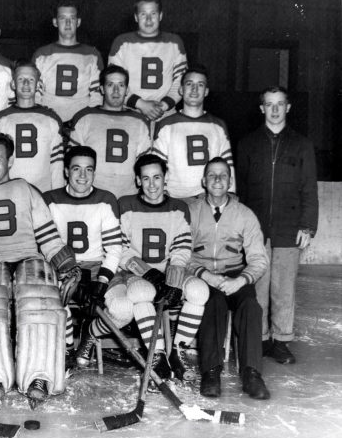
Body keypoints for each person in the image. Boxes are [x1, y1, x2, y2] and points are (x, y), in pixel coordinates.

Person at [0, 133, 79, 406]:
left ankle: (39, 375)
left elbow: (49, 237)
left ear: (10, 160)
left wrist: (67, 265)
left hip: (27, 259)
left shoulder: (26, 189)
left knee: (39, 299)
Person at [76, 154, 208, 382]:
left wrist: (173, 279)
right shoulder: (126, 204)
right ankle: (155, 354)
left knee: (199, 290)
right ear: (138, 180)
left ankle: (177, 350)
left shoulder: (178, 208)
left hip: (168, 271)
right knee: (142, 292)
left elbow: (182, 248)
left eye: (157, 177)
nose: (152, 184)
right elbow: (121, 248)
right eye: (145, 178)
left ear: (165, 178)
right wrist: (147, 271)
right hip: (132, 273)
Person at [237, 86, 318, 365]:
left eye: (279, 104)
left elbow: (309, 189)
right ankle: (258, 339)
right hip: (255, 229)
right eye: (269, 104)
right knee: (258, 287)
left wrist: (307, 226)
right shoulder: (248, 143)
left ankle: (281, 340)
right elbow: (242, 190)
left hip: (288, 227)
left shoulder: (302, 144)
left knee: (283, 289)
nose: (274, 109)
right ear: (261, 108)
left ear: (288, 107)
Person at [189, 157, 270, 400]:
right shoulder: (190, 212)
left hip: (235, 274)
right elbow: (179, 256)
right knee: (212, 304)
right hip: (203, 274)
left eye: (223, 175)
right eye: (212, 175)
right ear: (204, 181)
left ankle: (251, 373)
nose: (217, 179)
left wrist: (241, 280)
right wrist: (205, 276)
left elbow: (259, 259)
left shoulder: (245, 215)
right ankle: (211, 372)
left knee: (250, 306)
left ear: (230, 181)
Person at [43, 146, 122, 364]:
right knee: (59, 300)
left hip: (97, 266)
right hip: (63, 267)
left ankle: (91, 332)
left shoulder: (106, 199)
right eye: (76, 169)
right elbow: (43, 243)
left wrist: (103, 281)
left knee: (123, 308)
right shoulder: (49, 199)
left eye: (89, 169)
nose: (83, 176)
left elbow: (115, 248)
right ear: (66, 171)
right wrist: (63, 270)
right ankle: (67, 349)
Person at [152, 65, 234, 201]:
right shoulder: (166, 125)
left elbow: (227, 165)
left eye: (200, 85)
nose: (194, 89)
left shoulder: (218, 125)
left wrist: (231, 194)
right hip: (175, 198)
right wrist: (162, 196)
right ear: (181, 90)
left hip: (209, 199)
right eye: (189, 84)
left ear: (206, 91)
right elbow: (157, 165)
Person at [68, 64, 151, 199]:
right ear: (102, 89)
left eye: (121, 85)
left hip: (128, 194)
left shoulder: (140, 121)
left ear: (127, 90)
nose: (116, 91)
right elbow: (73, 162)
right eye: (110, 85)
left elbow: (144, 165)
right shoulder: (84, 118)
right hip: (91, 194)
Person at [108, 0, 187, 125]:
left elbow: (181, 81)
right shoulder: (122, 42)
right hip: (130, 112)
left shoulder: (174, 42)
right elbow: (113, 83)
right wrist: (141, 105)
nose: (149, 19)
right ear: (135, 17)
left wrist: (163, 106)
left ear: (161, 16)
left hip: (165, 114)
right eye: (143, 14)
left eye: (153, 14)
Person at [0, 61, 64, 192]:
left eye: (31, 79)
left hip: (44, 192)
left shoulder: (52, 119)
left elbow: (57, 164)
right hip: (10, 192)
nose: (26, 84)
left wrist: (57, 197)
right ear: (13, 84)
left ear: (39, 84)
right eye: (21, 79)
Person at [32, 0, 104, 123]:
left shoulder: (92, 54)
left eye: (72, 18)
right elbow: (36, 94)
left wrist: (86, 120)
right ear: (55, 22)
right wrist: (42, 118)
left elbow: (97, 95)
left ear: (78, 22)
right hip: (48, 121)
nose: (68, 23)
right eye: (62, 18)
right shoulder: (41, 55)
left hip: (82, 123)